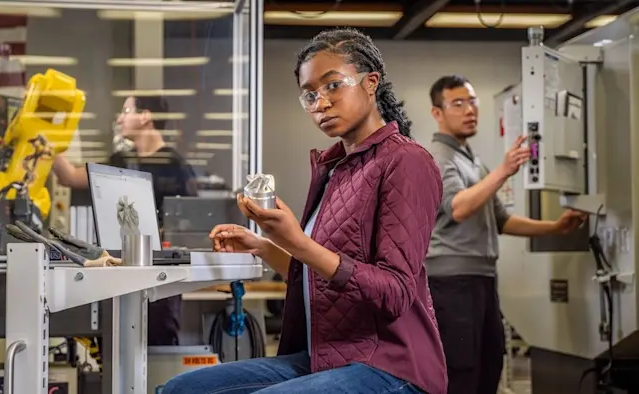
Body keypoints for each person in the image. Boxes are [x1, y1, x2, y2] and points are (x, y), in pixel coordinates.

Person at [161, 27, 447, 394]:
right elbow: (321, 276)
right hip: (329, 353)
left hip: (390, 363)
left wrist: (297, 242)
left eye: (333, 86)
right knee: (180, 390)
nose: (320, 103)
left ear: (370, 82)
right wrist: (265, 247)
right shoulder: (336, 167)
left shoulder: (406, 161)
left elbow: (394, 293)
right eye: (309, 95)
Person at [425, 75, 587, 394]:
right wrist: (504, 171)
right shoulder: (438, 157)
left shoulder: (471, 161)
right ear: (437, 113)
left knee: (488, 367)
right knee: (462, 373)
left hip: (481, 278)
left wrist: (555, 228)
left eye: (472, 101)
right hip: (452, 283)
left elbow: (500, 220)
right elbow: (457, 208)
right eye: (458, 103)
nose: (469, 110)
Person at [52, 95, 196, 346]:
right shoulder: (121, 161)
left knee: (156, 342)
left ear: (145, 116)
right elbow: (71, 178)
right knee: (116, 345)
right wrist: (48, 145)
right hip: (119, 272)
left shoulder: (175, 166)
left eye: (126, 111)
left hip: (158, 278)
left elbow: (187, 228)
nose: (119, 118)